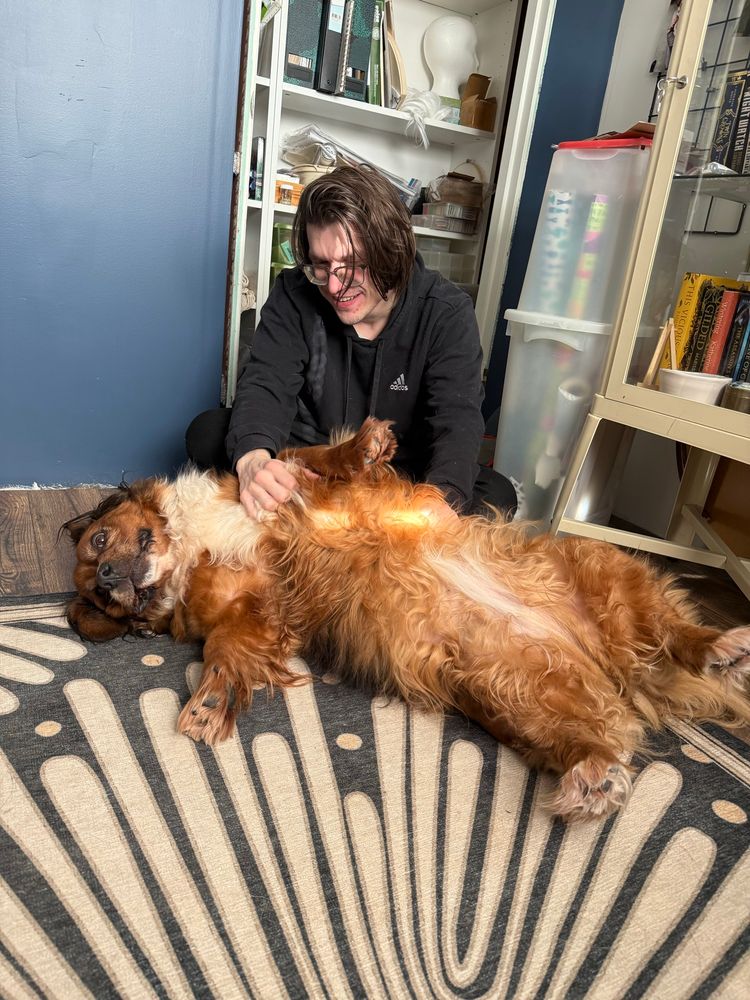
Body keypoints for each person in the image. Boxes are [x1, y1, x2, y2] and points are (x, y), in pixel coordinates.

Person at [186, 163, 516, 521]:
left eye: (352, 264)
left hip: (402, 474)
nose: (333, 286)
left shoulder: (447, 311)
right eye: (321, 265)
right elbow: (267, 383)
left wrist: (441, 499)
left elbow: (457, 420)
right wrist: (253, 462)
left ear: (392, 249)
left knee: (497, 495)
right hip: (312, 459)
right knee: (209, 433)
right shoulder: (295, 293)